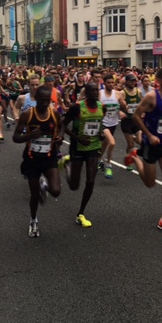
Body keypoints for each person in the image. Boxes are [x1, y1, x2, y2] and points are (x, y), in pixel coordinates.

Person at [124, 68, 162, 234]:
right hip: (150, 144)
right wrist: (148, 134)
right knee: (150, 183)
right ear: (159, 80)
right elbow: (136, 115)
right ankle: (135, 157)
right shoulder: (151, 97)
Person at [13, 85, 63, 238]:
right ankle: (33, 219)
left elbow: (61, 128)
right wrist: (29, 136)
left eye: (48, 100)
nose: (45, 103)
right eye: (42, 100)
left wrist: (60, 137)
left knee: (56, 191)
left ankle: (45, 186)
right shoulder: (27, 115)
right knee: (34, 195)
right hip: (32, 159)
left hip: (49, 158)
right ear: (36, 99)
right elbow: (15, 138)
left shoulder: (54, 114)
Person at [60, 82, 104, 227]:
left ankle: (81, 213)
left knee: (91, 180)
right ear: (86, 92)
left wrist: (101, 133)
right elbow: (63, 124)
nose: (95, 93)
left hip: (93, 147)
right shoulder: (77, 107)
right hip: (78, 147)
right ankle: (67, 165)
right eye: (91, 91)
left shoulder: (101, 107)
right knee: (74, 186)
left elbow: (98, 124)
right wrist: (77, 138)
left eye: (96, 90)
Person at [97, 74, 121, 179]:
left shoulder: (118, 94)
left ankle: (98, 159)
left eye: (112, 82)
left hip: (113, 123)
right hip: (103, 123)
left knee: (104, 144)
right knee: (112, 142)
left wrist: (123, 111)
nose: (111, 84)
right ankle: (109, 165)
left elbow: (122, 105)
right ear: (104, 83)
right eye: (108, 83)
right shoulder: (100, 94)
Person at [119, 73, 142, 171]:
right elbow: (118, 105)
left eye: (134, 81)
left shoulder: (139, 92)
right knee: (131, 145)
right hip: (126, 121)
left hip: (136, 120)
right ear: (127, 82)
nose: (133, 82)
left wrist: (142, 111)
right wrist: (122, 110)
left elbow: (141, 103)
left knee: (141, 141)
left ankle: (133, 139)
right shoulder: (122, 93)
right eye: (131, 80)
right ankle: (129, 161)